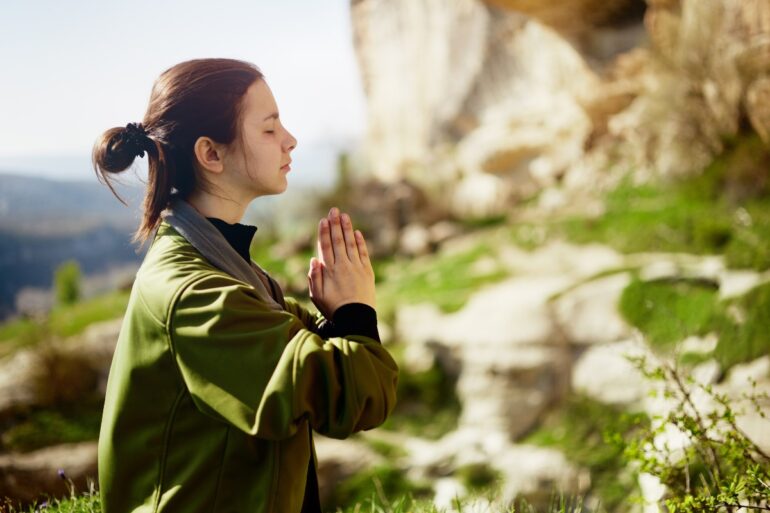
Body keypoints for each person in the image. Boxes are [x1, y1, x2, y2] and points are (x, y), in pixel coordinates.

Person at [91, 58, 399, 513]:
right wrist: (356, 312)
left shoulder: (227, 267)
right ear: (211, 155)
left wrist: (335, 317)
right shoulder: (194, 293)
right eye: (270, 129)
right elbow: (353, 397)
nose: (290, 140)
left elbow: (303, 353)